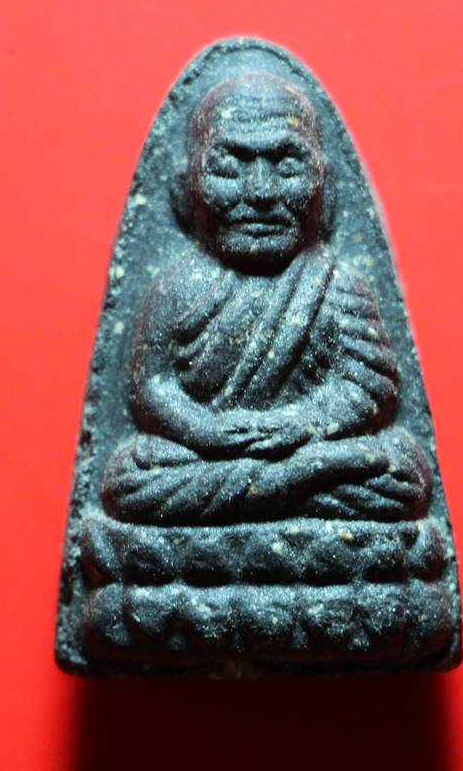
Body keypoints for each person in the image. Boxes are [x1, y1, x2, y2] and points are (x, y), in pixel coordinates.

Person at [102, 72, 431, 526]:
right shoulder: (175, 287)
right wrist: (206, 430)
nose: (260, 192)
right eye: (230, 167)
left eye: (287, 166)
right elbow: (151, 387)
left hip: (300, 451)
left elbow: (370, 389)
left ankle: (267, 494)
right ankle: (284, 489)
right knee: (131, 474)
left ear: (326, 183)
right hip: (210, 457)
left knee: (401, 468)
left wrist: (299, 424)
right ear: (184, 187)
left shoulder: (337, 283)